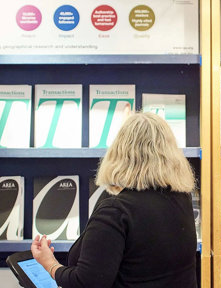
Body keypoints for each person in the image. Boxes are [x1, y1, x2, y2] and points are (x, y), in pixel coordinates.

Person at [31, 112, 198, 288]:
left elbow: (86, 283)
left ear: (119, 152)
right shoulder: (182, 199)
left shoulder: (116, 211)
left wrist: (50, 264)